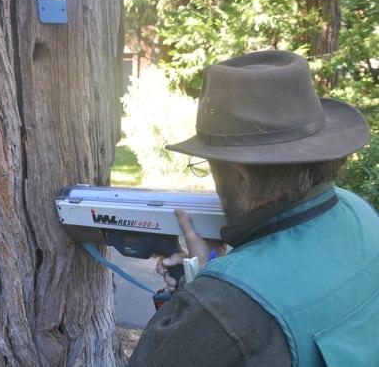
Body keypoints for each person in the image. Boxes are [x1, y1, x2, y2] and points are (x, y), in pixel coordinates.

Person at [128, 50, 379, 367]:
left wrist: (204, 290)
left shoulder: (216, 309)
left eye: (210, 168)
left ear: (239, 175)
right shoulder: (360, 213)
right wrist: (217, 270)